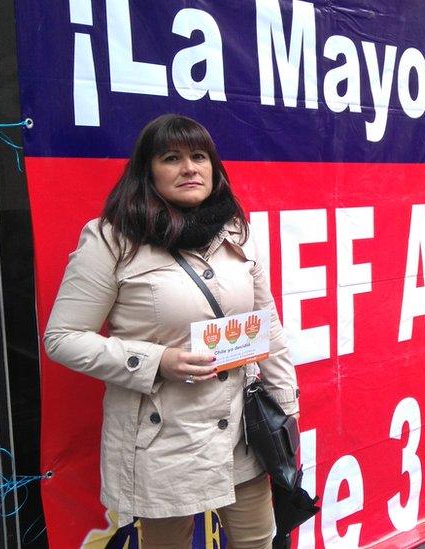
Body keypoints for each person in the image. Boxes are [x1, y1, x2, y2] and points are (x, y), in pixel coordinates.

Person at [44, 114, 299, 549]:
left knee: (258, 539)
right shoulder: (112, 240)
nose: (189, 168)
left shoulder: (235, 230)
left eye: (199, 156)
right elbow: (63, 338)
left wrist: (287, 404)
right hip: (162, 437)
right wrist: (156, 361)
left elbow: (266, 321)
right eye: (171, 158)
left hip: (241, 428)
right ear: (147, 172)